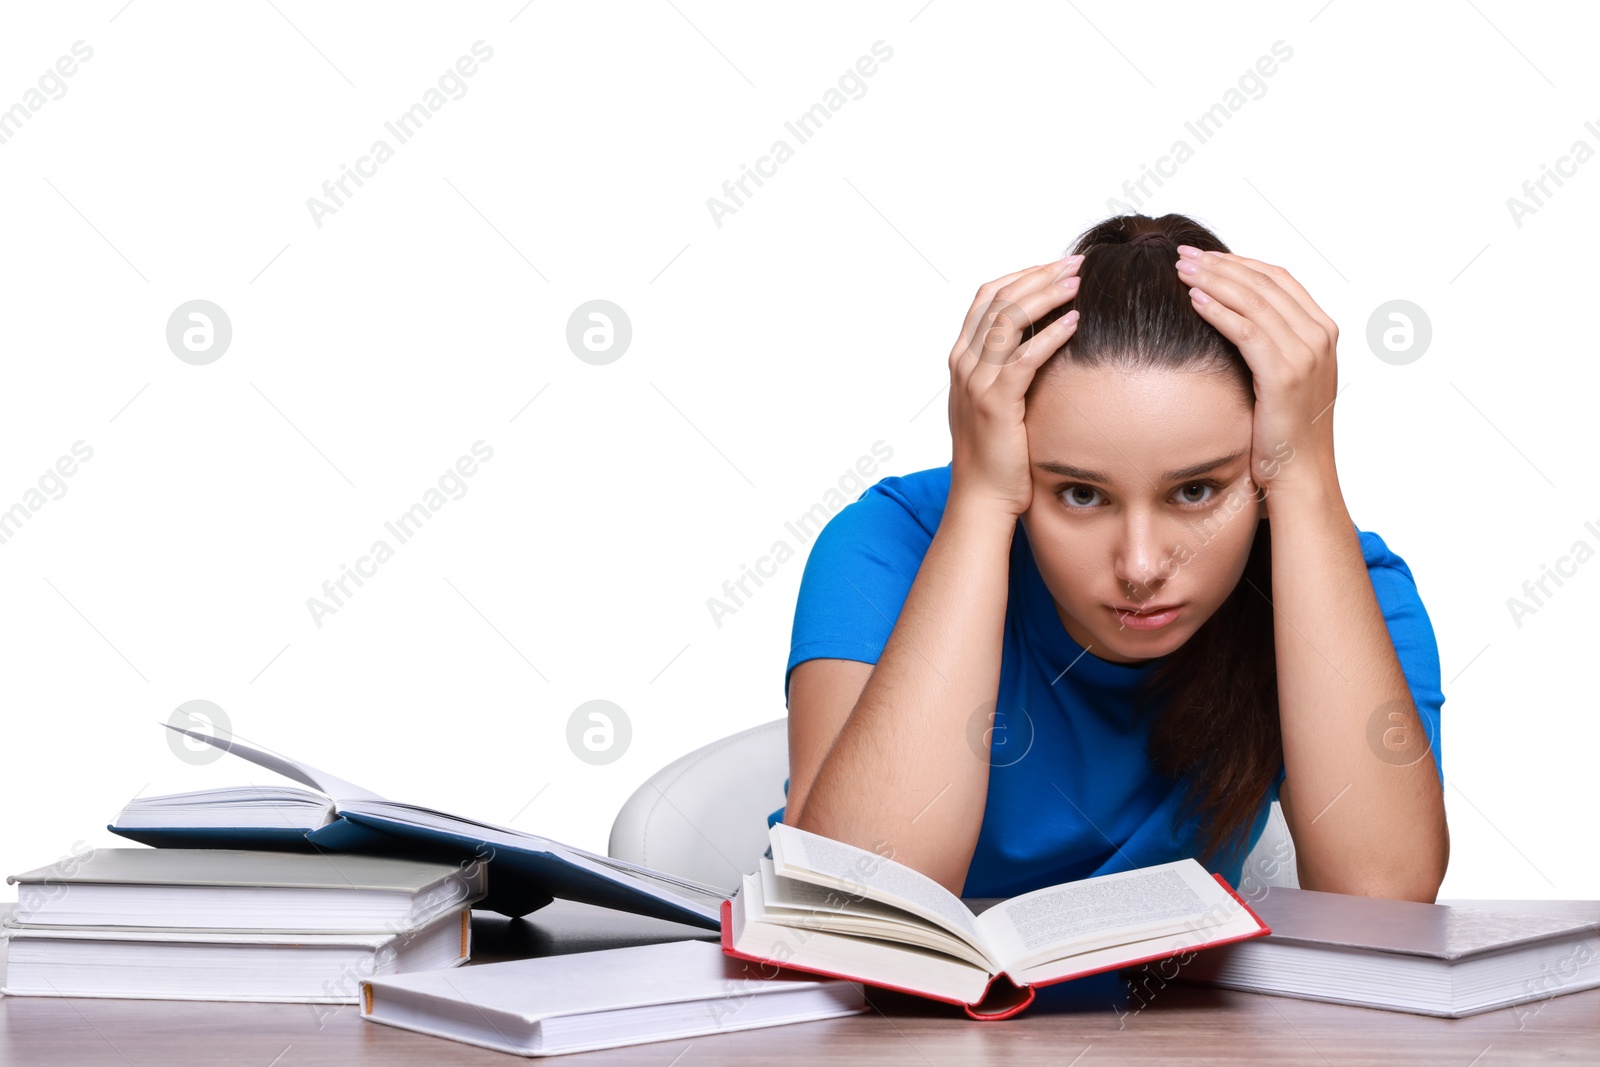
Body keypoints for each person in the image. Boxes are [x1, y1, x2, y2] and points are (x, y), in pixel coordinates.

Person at [768, 212, 1449, 903]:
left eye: (1195, 490)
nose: (1142, 565)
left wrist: (1305, 479)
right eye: (1082, 494)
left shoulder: (1342, 581)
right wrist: (978, 503)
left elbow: (1383, 897)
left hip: (1171, 1013)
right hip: (906, 1014)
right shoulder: (889, 546)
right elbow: (850, 902)